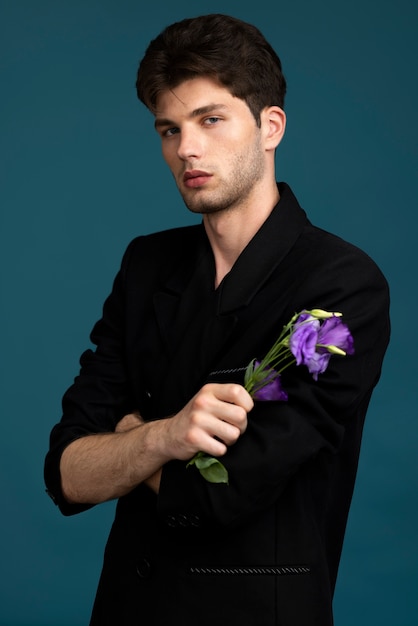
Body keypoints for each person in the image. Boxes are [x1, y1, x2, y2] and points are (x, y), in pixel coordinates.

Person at [44, 13, 390, 626]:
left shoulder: (342, 284)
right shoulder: (146, 263)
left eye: (210, 119)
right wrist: (162, 436)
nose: (187, 149)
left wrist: (123, 439)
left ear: (269, 127)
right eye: (168, 130)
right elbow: (67, 473)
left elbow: (215, 493)